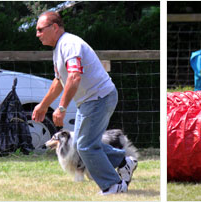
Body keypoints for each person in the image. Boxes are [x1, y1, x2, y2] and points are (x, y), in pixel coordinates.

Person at [32, 11, 138, 195]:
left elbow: (74, 77)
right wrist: (43, 105)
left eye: (40, 29)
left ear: (54, 27)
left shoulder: (69, 44)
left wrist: (62, 108)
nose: (37, 34)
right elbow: (59, 81)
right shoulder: (59, 48)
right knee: (84, 143)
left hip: (99, 98)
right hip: (91, 100)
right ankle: (124, 162)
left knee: (86, 146)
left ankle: (113, 185)